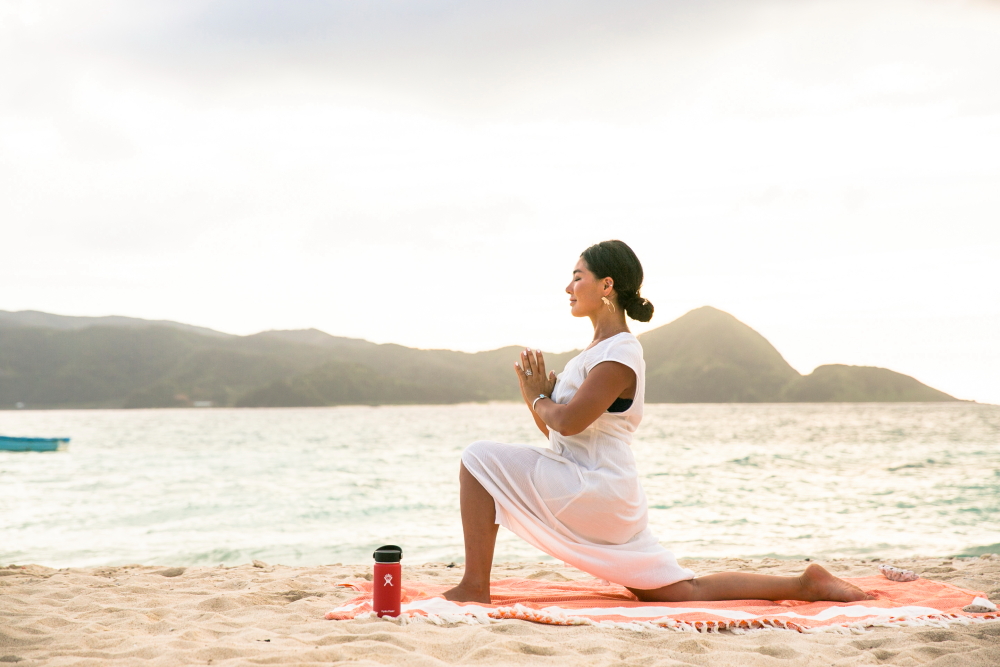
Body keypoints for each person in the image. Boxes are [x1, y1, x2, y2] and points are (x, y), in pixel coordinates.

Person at [443, 239, 871, 605]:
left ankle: (474, 585)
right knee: (681, 593)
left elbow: (569, 422)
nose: (568, 287)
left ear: (606, 285)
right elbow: (562, 434)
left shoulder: (619, 353)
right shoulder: (594, 353)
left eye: (578, 276)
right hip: (594, 484)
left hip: (594, 486)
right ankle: (805, 584)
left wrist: (538, 396)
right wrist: (534, 399)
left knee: (477, 458)